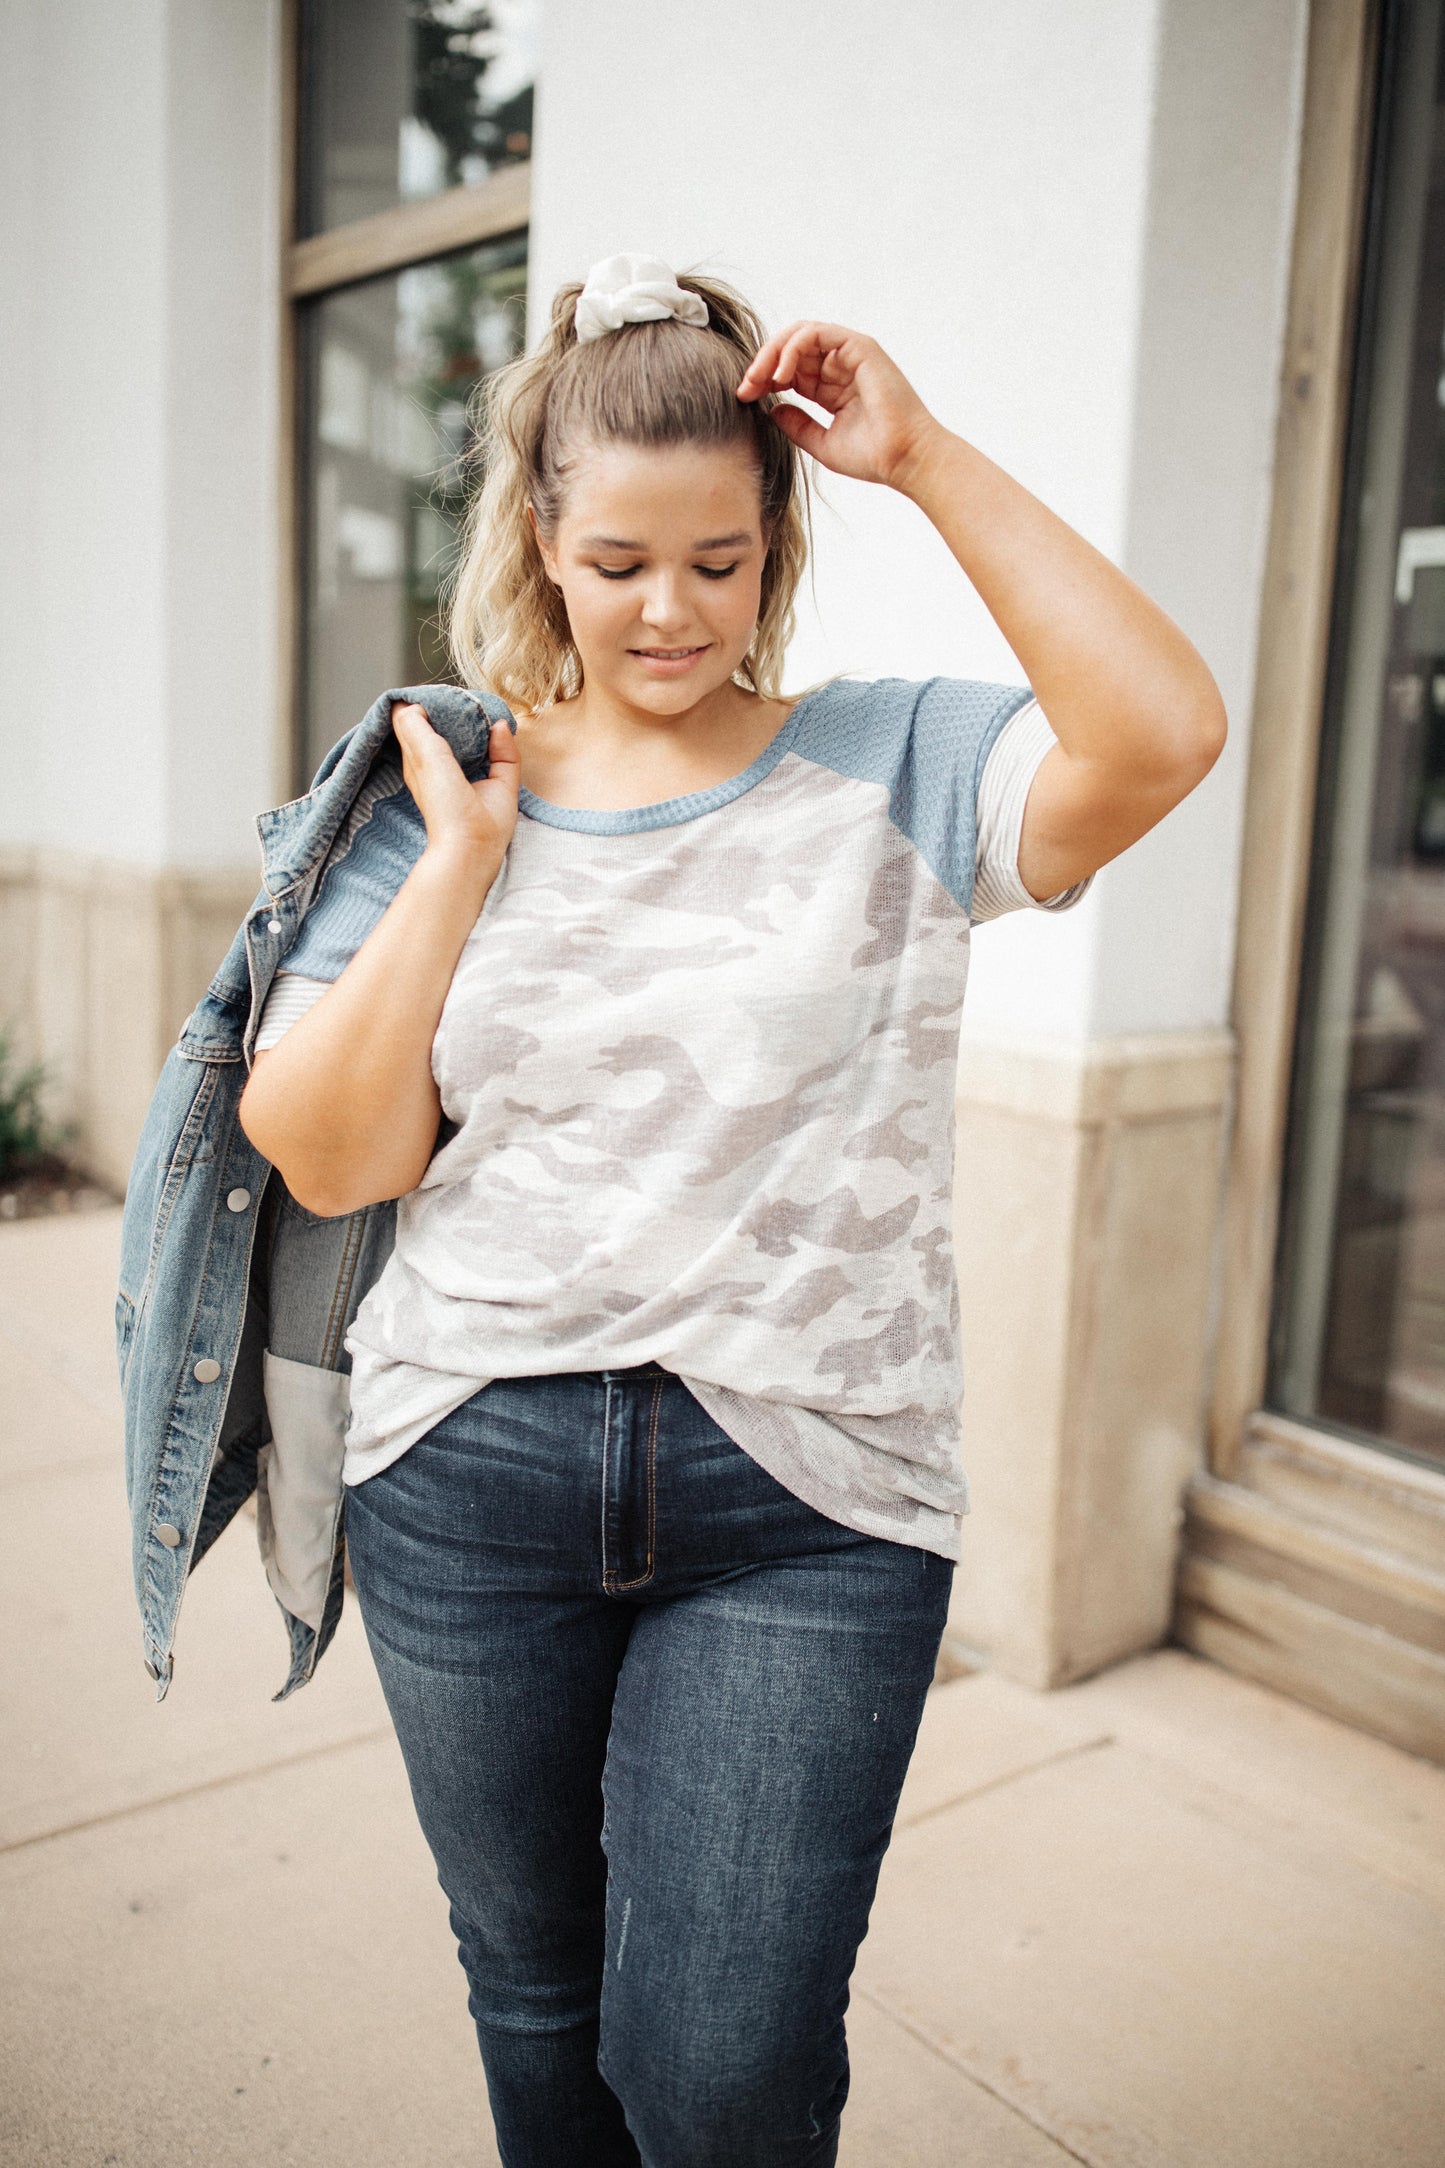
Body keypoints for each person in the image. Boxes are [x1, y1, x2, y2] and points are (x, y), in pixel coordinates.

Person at [235, 253, 1226, 2167]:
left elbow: (1163, 732)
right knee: (533, 2004)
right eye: (617, 565)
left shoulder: (892, 758)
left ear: (778, 536)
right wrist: (459, 870)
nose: (670, 610)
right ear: (541, 539)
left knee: (720, 2076)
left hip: (810, 1505)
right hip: (469, 1469)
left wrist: (920, 456)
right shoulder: (434, 781)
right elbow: (336, 1156)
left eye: (719, 559)